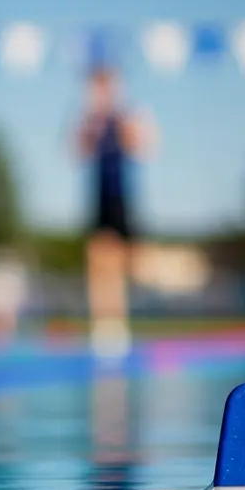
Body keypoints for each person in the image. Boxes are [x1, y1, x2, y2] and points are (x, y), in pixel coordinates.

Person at [74, 64, 156, 357]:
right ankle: (104, 327)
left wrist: (125, 125)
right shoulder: (90, 120)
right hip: (99, 197)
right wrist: (89, 122)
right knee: (98, 262)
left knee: (123, 265)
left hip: (122, 198)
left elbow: (144, 149)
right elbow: (76, 152)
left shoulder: (128, 116)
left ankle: (119, 324)